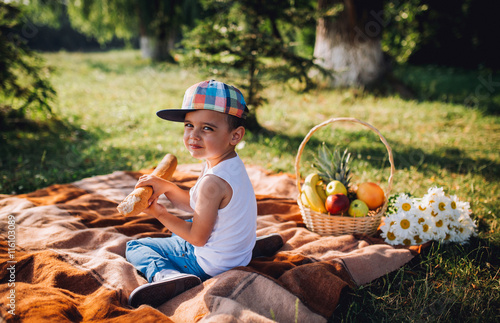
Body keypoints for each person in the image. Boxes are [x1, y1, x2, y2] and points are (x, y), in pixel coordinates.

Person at [126, 80, 282, 308]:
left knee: (136, 247)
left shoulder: (212, 182)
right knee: (183, 229)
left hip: (209, 265)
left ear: (235, 135)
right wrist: (168, 187)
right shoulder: (225, 162)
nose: (194, 135)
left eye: (207, 128)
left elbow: (198, 238)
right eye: (189, 125)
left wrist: (160, 214)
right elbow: (196, 204)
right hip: (235, 255)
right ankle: (245, 246)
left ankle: (168, 277)